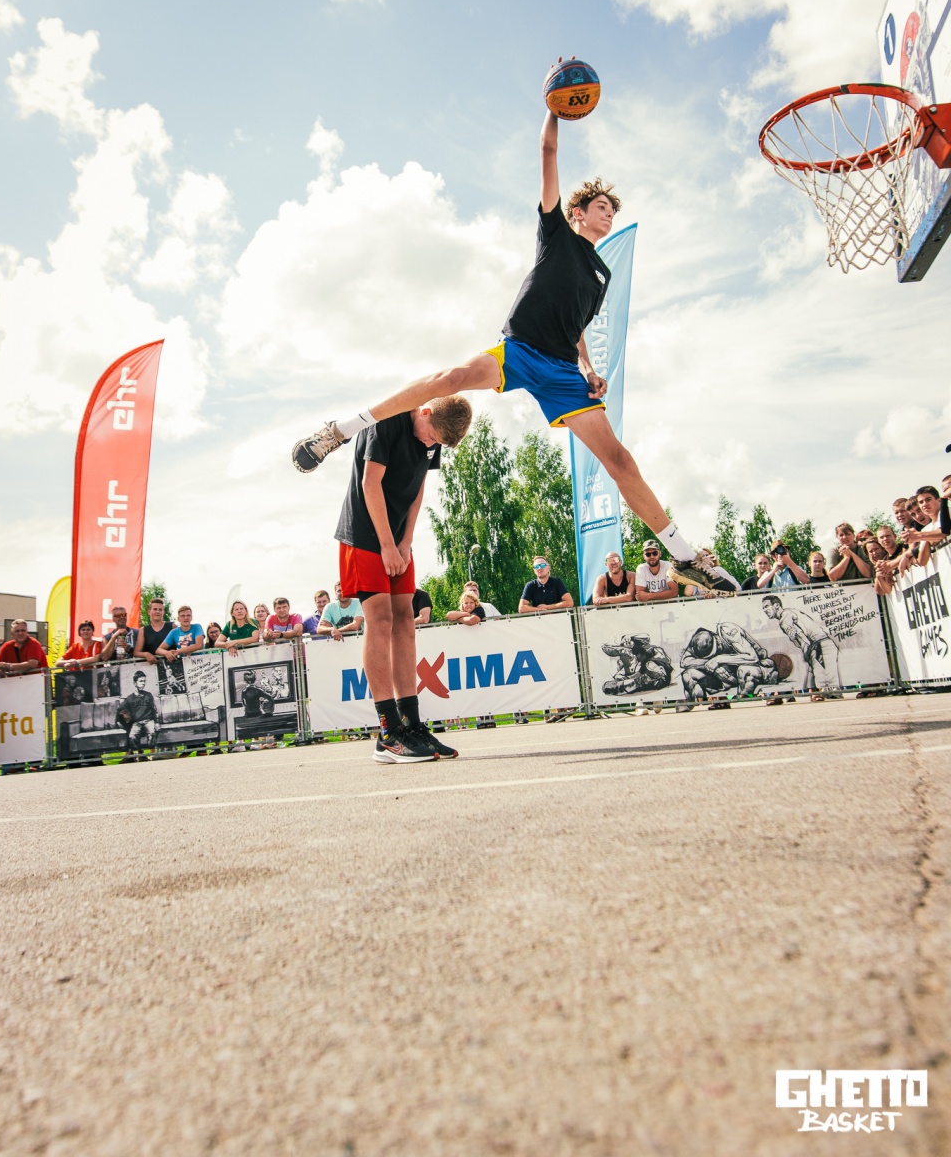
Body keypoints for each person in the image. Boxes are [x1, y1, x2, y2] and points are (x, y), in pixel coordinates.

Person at [291, 92, 720, 596]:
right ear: (578, 212)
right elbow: (547, 152)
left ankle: (685, 556)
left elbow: (577, 326)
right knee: (451, 379)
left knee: (620, 461)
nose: (609, 215)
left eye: (611, 210)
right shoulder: (556, 232)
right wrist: (555, 108)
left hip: (561, 372)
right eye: (602, 207)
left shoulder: (601, 275)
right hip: (518, 349)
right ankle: (339, 431)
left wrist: (587, 368)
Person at [332, 394, 473, 762]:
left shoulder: (434, 432)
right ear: (424, 411)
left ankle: (411, 724)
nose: (429, 443)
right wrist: (385, 545)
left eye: (436, 442)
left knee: (405, 621)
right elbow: (370, 483)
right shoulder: (386, 421)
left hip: (396, 539)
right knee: (379, 620)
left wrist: (406, 541)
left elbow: (418, 488)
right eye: (430, 435)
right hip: (364, 535)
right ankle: (388, 732)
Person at [761, 594, 840, 695]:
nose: (765, 610)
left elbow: (802, 637)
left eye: (767, 606)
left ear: (776, 605)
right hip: (822, 643)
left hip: (818, 645)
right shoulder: (789, 613)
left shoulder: (785, 618)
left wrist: (808, 652)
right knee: (830, 682)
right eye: (763, 608)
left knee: (824, 681)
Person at [116, 672, 159, 752]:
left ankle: (152, 754)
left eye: (144, 681)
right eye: (140, 681)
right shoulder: (130, 698)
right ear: (135, 683)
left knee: (152, 733)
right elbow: (119, 709)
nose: (143, 683)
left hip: (149, 721)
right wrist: (118, 721)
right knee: (132, 736)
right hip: (137, 722)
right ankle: (139, 753)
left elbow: (154, 710)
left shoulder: (148, 695)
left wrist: (156, 723)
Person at [135, 599, 174, 663]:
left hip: (172, 665)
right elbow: (136, 652)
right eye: (155, 609)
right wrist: (146, 654)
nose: (157, 612)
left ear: (163, 612)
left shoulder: (172, 626)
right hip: (151, 666)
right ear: (149, 612)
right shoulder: (143, 630)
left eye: (160, 609)